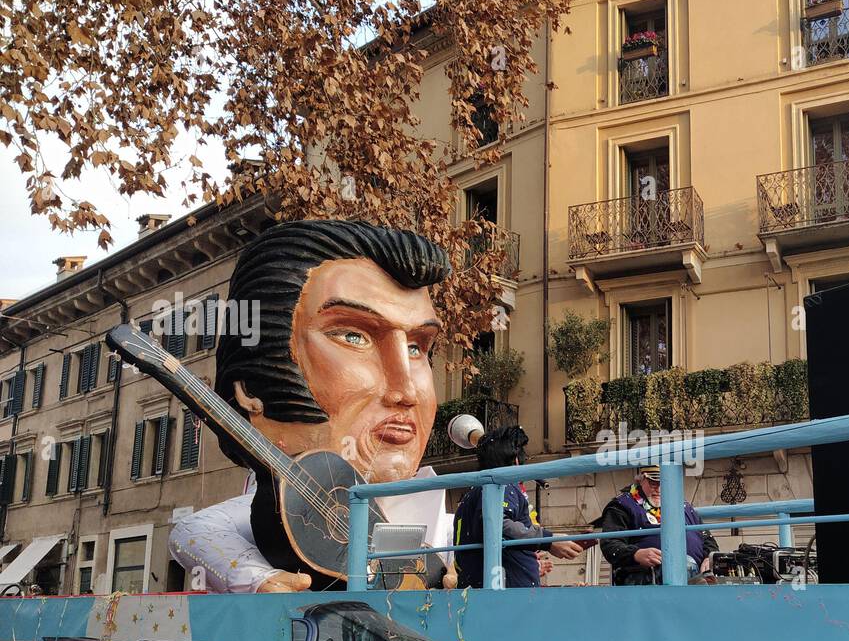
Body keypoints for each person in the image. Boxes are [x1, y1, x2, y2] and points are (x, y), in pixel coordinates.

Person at [169, 220, 453, 592]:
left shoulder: (440, 521)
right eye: (354, 336)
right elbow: (196, 530)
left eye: (417, 347)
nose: (406, 390)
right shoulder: (282, 509)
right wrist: (259, 579)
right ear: (252, 388)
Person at [452, 426, 582, 588]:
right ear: (516, 461)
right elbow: (498, 526)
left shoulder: (471, 494)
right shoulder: (501, 486)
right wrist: (548, 540)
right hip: (507, 596)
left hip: (482, 588)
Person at [598, 465, 717, 585]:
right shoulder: (622, 505)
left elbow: (707, 538)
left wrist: (708, 557)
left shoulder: (684, 506)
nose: (659, 489)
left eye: (664, 484)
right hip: (645, 576)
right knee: (684, 565)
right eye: (653, 483)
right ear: (641, 480)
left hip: (695, 572)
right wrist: (636, 554)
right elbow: (610, 543)